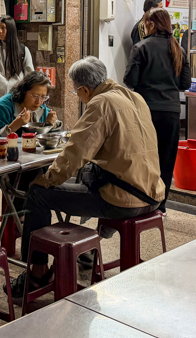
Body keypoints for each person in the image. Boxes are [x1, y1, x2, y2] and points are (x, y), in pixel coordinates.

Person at [12, 56, 164, 298]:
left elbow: (76, 151)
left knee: (37, 193)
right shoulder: (134, 97)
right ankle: (88, 251)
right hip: (154, 193)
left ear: (83, 89)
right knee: (84, 178)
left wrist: (47, 179)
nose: (78, 95)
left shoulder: (100, 103)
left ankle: (38, 271)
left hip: (124, 200)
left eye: (76, 91)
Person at [124, 8, 191, 211]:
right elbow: (185, 83)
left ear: (151, 25)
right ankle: (161, 206)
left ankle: (142, 202)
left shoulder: (140, 48)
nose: (144, 28)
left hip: (146, 111)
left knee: (143, 158)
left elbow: (130, 80)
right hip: (171, 112)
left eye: (145, 24)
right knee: (166, 160)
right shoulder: (178, 50)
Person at [0, 15, 33, 103]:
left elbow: (29, 78)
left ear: (11, 29)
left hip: (16, 100)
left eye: (3, 28)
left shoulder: (23, 51)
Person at [0, 71, 57, 136]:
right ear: (23, 92)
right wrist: (16, 124)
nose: (38, 102)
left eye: (43, 97)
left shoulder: (41, 107)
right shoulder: (2, 107)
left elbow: (56, 123)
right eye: (35, 96)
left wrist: (52, 123)